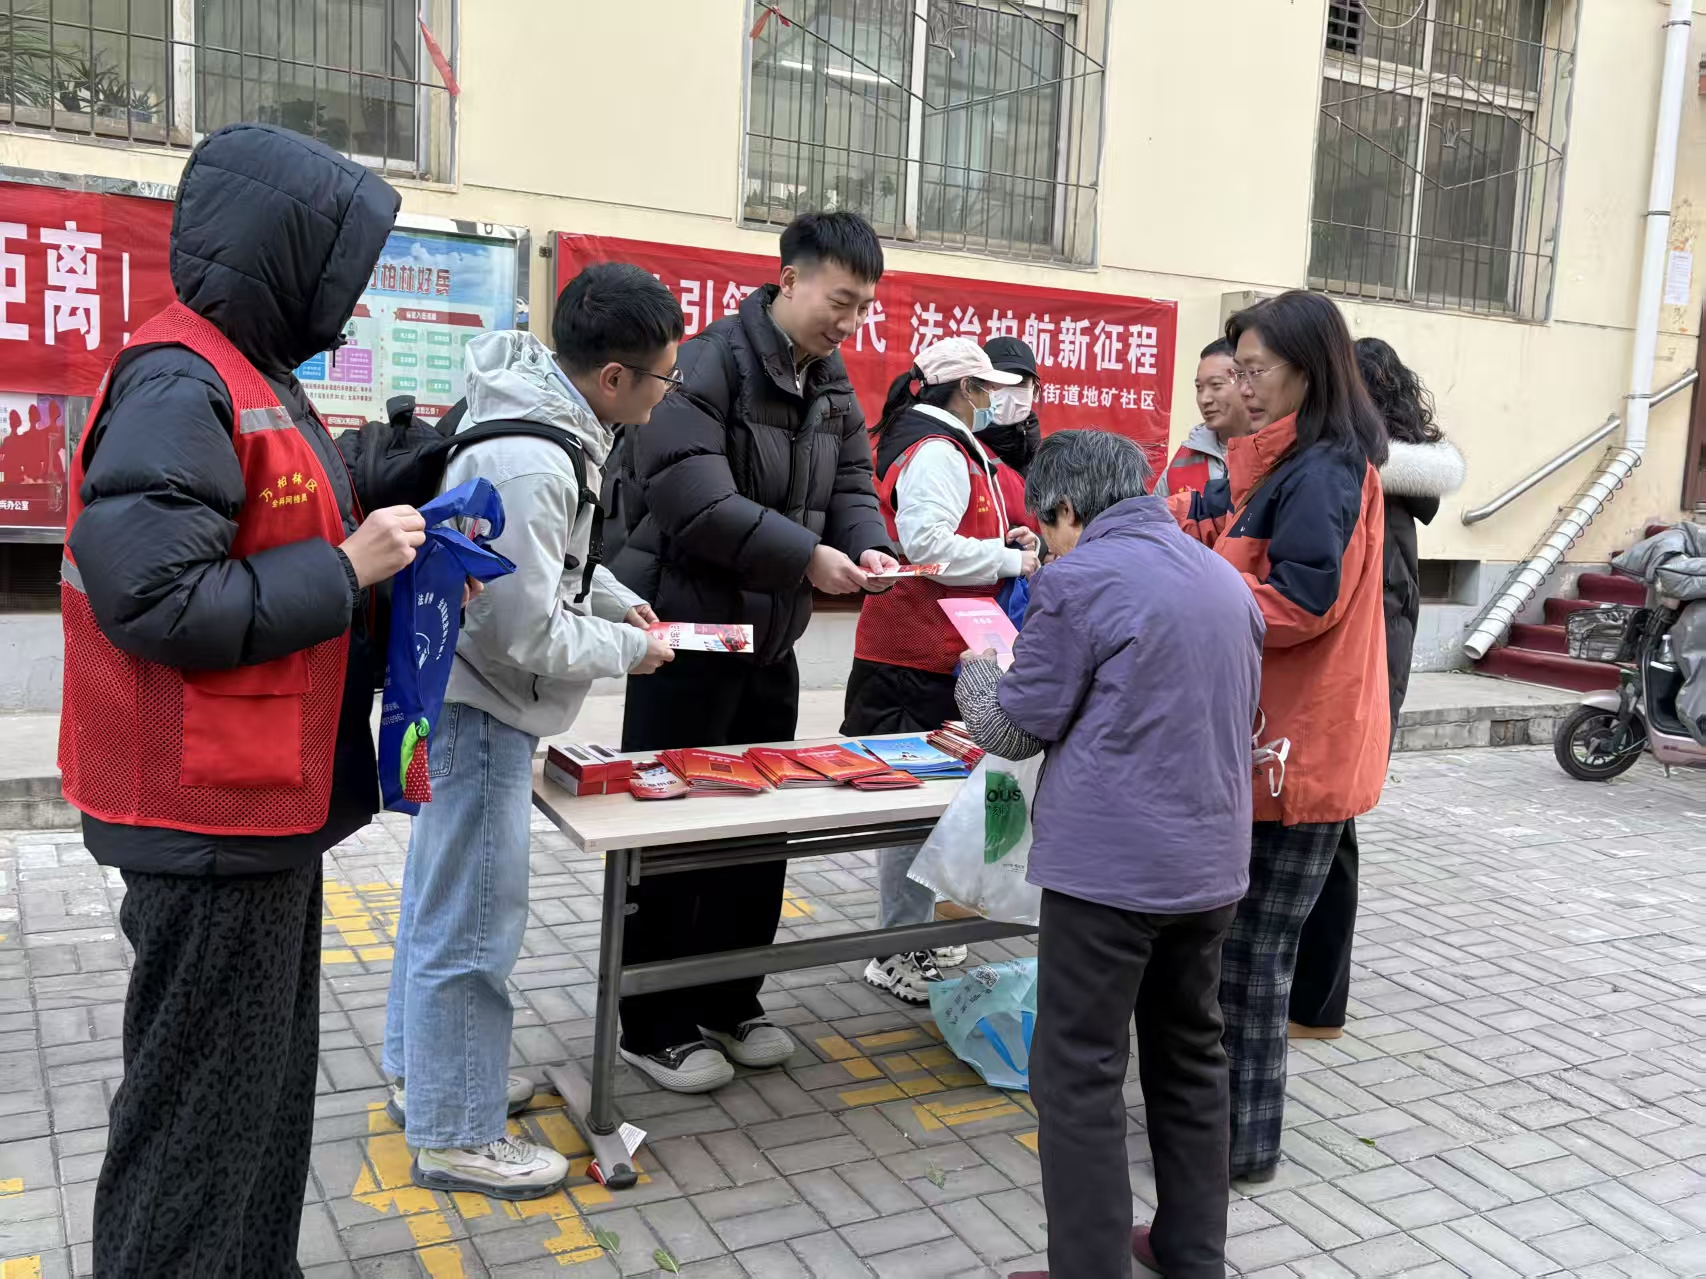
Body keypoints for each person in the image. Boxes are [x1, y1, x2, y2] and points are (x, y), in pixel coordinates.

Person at [59, 123, 407, 1274]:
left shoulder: (249, 372)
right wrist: (348, 569)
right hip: (200, 811)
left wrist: (406, 464)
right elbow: (157, 597)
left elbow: (282, 503)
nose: (346, 304)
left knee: (256, 1096)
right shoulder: (179, 374)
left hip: (255, 805)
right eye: (340, 273)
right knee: (195, 1118)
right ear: (286, 254)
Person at [382, 265, 683, 1197]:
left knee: (440, 906)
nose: (667, 394)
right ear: (614, 379)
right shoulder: (537, 456)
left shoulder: (548, 422)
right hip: (483, 710)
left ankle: (429, 1080)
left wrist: (626, 609)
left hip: (471, 701)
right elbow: (525, 629)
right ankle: (458, 1131)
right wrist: (628, 654)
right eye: (664, 379)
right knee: (473, 923)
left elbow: (555, 571)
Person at [949, 430, 1262, 1279]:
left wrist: (978, 672)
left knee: (1079, 1077)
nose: (1042, 545)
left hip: (1110, 876)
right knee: (1191, 1056)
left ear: (1063, 511)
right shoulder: (1223, 580)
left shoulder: (1078, 578)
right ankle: (1191, 1254)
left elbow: (1016, 723)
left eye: (1041, 529)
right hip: (1210, 867)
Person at [608, 211, 900, 1092]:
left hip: (768, 643)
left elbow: (851, 479)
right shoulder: (703, 364)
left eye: (862, 309)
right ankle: (649, 1019)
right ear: (790, 282)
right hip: (684, 645)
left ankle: (731, 998)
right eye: (839, 302)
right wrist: (808, 557)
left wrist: (868, 541)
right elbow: (693, 499)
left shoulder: (831, 380)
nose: (848, 323)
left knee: (757, 832)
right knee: (670, 835)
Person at [1169, 290, 1390, 1184]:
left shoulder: (1326, 469)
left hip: (1300, 753)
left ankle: (1237, 1150)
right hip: (1274, 743)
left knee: (1253, 958)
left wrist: (1188, 607)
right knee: (1238, 952)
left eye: (1256, 370)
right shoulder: (1286, 464)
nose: (1242, 386)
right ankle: (1224, 1136)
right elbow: (1234, 544)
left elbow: (1300, 598)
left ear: (1308, 368)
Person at [845, 336, 1040, 1003]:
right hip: (909, 658)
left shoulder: (956, 448)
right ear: (966, 392)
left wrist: (1007, 543)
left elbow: (953, 535)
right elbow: (927, 549)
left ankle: (914, 935)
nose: (998, 400)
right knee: (910, 808)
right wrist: (1012, 561)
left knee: (940, 805)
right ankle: (891, 950)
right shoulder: (936, 451)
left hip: (938, 654)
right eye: (988, 388)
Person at [1289, 336, 1464, 1039]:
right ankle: (1315, 999)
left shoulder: (1366, 491)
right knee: (1334, 837)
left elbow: (1378, 608)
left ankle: (1316, 1003)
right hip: (1367, 676)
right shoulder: (1380, 485)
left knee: (1333, 837)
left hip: (1358, 678)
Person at [1156, 338, 1255, 496]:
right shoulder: (1182, 460)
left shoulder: (1276, 454)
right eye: (1199, 388)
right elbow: (1155, 518)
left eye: (1216, 385)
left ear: (1248, 383)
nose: (1204, 399)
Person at [980, 335, 1045, 474]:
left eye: (1020, 382)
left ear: (1035, 390)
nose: (1007, 391)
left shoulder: (1045, 460)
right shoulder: (961, 446)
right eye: (998, 380)